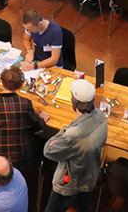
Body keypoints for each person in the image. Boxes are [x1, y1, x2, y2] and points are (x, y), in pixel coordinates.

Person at [43, 78, 108, 212]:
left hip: (69, 183)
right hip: (90, 174)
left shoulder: (72, 135)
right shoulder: (101, 117)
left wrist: (65, 130)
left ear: (73, 102)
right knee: (84, 204)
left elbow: (48, 150)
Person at [0, 67, 50, 164]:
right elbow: (37, 125)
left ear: (2, 83)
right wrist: (43, 119)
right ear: (21, 85)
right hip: (18, 158)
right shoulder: (25, 104)